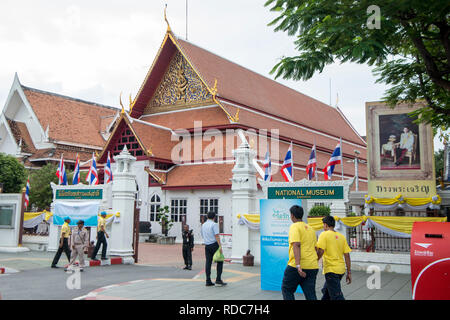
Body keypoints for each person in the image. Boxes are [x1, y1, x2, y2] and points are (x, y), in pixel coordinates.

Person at [281, 205, 319, 300]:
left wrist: (298, 265)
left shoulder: (294, 226)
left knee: (287, 289)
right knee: (310, 294)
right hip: (312, 266)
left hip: (296, 266)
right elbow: (316, 248)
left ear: (292, 215)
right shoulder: (311, 229)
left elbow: (296, 244)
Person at [316, 216, 352, 300]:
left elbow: (320, 251)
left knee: (336, 296)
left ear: (325, 225)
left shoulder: (324, 234)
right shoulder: (341, 236)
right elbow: (347, 255)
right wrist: (349, 272)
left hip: (331, 270)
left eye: (323, 225)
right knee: (326, 292)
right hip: (341, 270)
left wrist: (315, 261)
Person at [201, 211, 226, 287]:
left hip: (207, 245)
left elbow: (202, 234)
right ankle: (218, 280)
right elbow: (216, 236)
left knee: (208, 262)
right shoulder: (214, 224)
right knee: (220, 261)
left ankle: (208, 280)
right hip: (214, 245)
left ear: (207, 217)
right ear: (214, 217)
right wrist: (220, 246)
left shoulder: (203, 225)